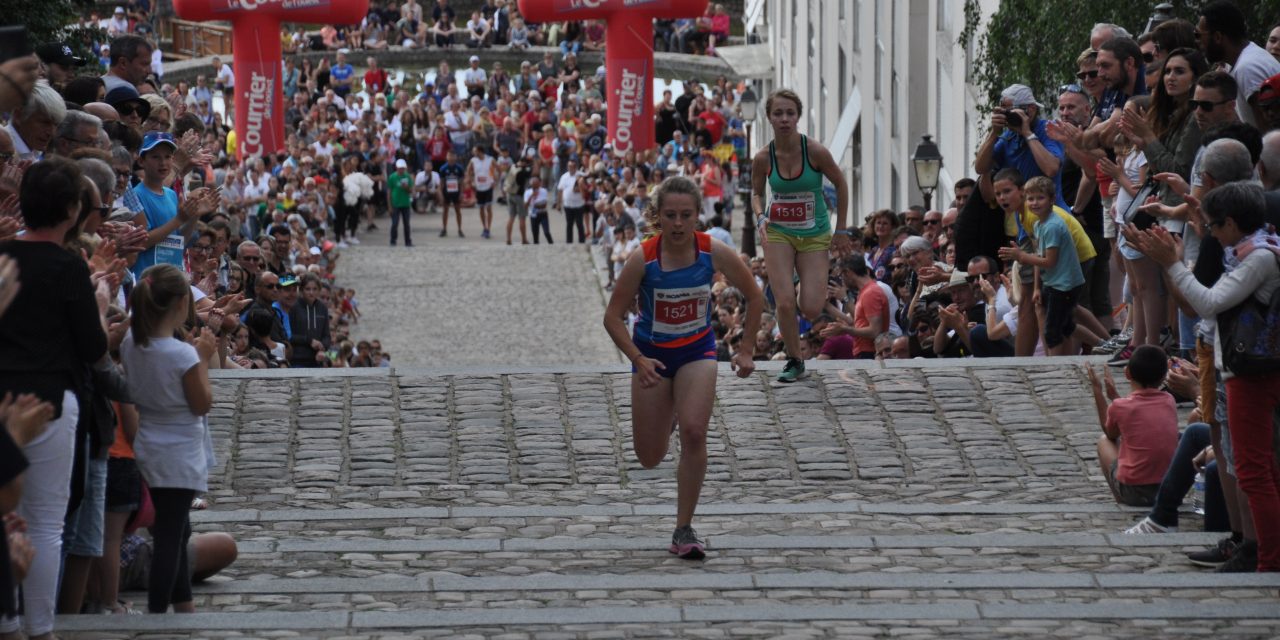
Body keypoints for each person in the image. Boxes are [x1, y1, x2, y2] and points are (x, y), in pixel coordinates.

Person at [602, 176, 762, 559]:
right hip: (653, 359)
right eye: (670, 215)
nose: (678, 223)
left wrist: (746, 350)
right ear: (657, 216)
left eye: (686, 215)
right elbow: (612, 317)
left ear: (697, 216)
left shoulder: (712, 251)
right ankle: (669, 412)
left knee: (694, 432)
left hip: (696, 352)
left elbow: (755, 297)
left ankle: (683, 529)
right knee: (649, 456)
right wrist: (637, 359)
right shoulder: (642, 258)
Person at [1125, 181, 1280, 571]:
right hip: (1241, 370)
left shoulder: (1259, 258)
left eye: (1213, 226)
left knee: (1253, 470)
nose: (1210, 234)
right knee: (1252, 465)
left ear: (1232, 224)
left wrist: (1171, 264)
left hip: (1250, 374)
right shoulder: (1251, 249)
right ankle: (1254, 548)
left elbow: (1209, 302)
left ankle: (1268, 558)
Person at [0, 158, 108, 640]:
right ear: (70, 210)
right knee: (45, 521)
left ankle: (7, 620)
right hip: (48, 400)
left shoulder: (3, 257)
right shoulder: (68, 266)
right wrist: (100, 306)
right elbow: (92, 347)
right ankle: (40, 628)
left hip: (2, 397)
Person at [121, 263, 217, 613]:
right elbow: (201, 403)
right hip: (179, 452)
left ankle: (183, 602)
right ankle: (159, 612)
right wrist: (202, 358)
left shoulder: (132, 344)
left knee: (176, 529)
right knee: (169, 538)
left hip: (150, 442)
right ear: (180, 303)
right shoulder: (182, 354)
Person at [750, 89, 851, 383]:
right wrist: (760, 216)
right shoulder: (763, 157)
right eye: (778, 113)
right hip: (778, 232)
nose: (784, 119)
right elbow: (757, 193)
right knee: (783, 303)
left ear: (798, 117)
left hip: (814, 234)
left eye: (790, 113)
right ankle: (795, 360)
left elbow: (841, 184)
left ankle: (798, 283)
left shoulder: (815, 151)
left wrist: (841, 229)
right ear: (769, 118)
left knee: (810, 307)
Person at [998, 176, 1086, 356]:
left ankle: (1055, 365)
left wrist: (1022, 256)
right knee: (1066, 326)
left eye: (1040, 198)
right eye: (1030, 199)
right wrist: (1037, 287)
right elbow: (1039, 255)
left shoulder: (1052, 226)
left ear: (1052, 200)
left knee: (1053, 331)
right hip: (1055, 283)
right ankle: (1100, 343)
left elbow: (1049, 261)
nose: (1035, 203)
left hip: (1065, 285)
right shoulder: (1039, 224)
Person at [1085, 347, 1178, 508]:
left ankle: (1121, 500)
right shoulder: (1169, 400)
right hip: (1168, 489)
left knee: (1104, 442)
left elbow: (1110, 433)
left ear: (1127, 373)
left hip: (1135, 491)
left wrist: (1097, 391)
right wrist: (1115, 398)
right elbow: (1138, 414)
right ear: (1164, 375)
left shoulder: (1120, 406)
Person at [466, 144, 496, 239]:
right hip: (478, 187)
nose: (473, 153)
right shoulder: (473, 160)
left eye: (474, 151)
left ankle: (488, 228)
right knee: (481, 208)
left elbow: (498, 169)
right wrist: (471, 181)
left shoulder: (490, 159)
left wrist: (495, 181)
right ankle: (484, 228)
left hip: (488, 186)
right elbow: (468, 171)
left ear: (480, 151)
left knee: (488, 208)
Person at [387, 158, 413, 247]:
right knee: (394, 223)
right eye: (399, 168)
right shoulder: (392, 177)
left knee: (407, 224)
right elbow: (389, 192)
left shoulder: (407, 177)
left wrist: (406, 187)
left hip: (405, 204)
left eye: (402, 168)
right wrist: (389, 206)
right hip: (395, 204)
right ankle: (393, 241)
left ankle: (408, 241)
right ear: (396, 168)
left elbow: (411, 191)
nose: (401, 170)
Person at [525, 175, 551, 244]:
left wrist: (534, 205)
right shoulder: (528, 192)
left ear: (539, 184)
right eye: (534, 185)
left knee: (546, 232)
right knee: (535, 234)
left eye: (536, 184)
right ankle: (536, 246)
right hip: (533, 215)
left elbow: (544, 205)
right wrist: (531, 196)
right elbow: (525, 205)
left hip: (543, 214)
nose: (535, 187)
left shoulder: (543, 191)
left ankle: (551, 244)